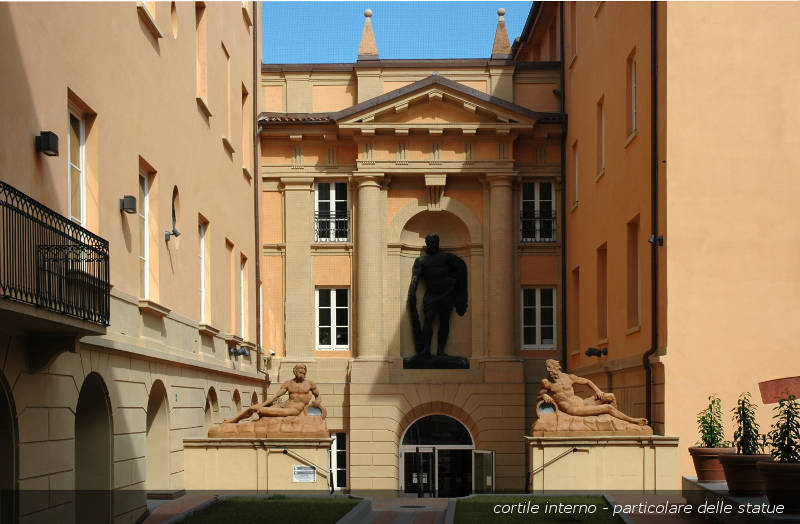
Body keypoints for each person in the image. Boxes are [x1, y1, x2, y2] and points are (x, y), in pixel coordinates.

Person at [407, 233, 468, 356]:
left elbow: (461, 267)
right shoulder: (421, 260)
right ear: (427, 244)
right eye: (430, 243)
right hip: (431, 295)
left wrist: (456, 284)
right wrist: (412, 293)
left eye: (435, 243)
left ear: (438, 243)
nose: (433, 245)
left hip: (446, 293)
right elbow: (415, 278)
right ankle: (426, 350)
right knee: (428, 320)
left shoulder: (447, 257)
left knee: (444, 321)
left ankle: (441, 350)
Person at [538, 359, 648, 425]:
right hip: (573, 409)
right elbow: (539, 396)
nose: (548, 370)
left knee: (609, 396)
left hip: (582, 403)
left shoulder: (568, 377)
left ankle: (614, 421)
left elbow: (587, 382)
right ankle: (632, 421)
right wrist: (544, 396)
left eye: (550, 367)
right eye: (547, 368)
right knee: (608, 408)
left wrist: (598, 391)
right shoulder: (547, 382)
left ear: (557, 368)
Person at [223, 363, 321, 423]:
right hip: (284, 405)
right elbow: (275, 396)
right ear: (295, 372)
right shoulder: (288, 383)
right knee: (253, 408)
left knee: (262, 411)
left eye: (304, 371)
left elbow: (318, 396)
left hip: (294, 410)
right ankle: (235, 420)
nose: (302, 373)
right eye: (300, 371)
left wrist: (317, 402)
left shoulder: (310, 384)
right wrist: (262, 404)